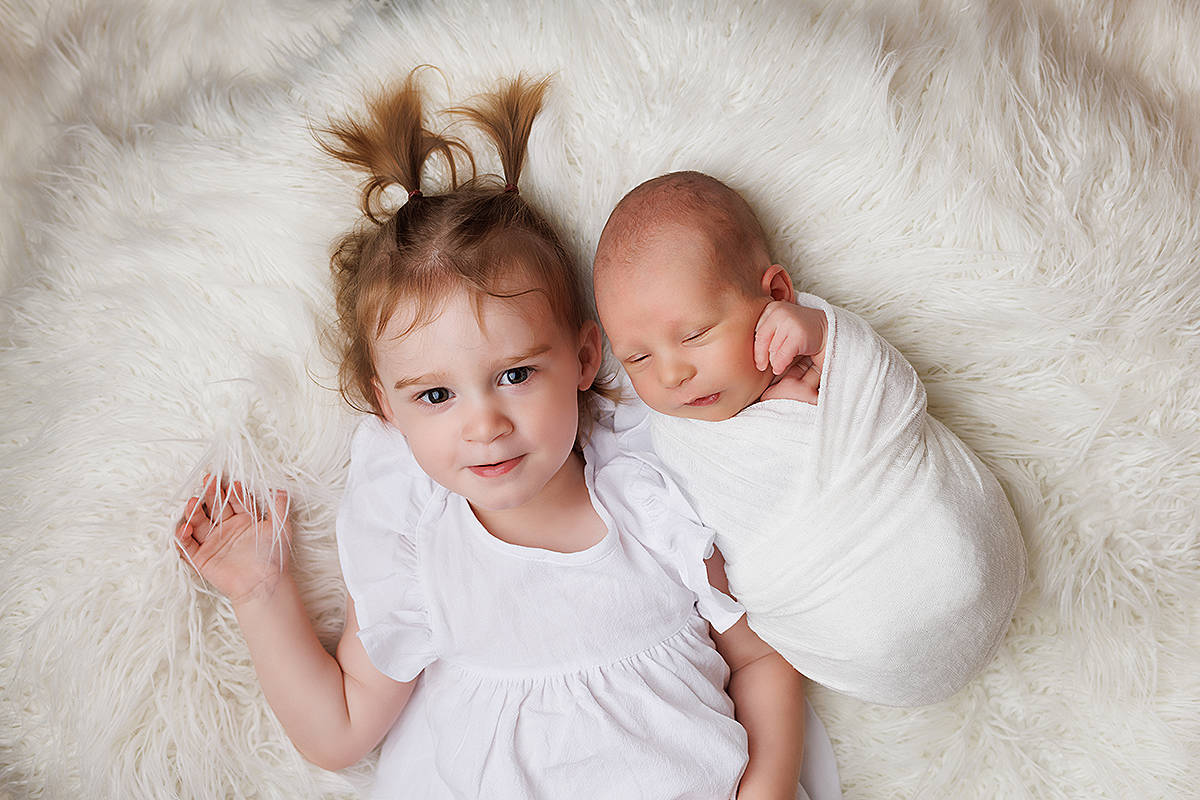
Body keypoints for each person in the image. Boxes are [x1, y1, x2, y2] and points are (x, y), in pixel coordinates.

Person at [175, 75, 842, 799]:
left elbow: (761, 659)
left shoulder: (653, 500)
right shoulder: (416, 554)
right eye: (436, 395)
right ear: (389, 411)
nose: (485, 424)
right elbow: (337, 730)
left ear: (585, 359)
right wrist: (259, 591)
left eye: (516, 375)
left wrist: (768, 787)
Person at [592, 171, 1027, 707]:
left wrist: (826, 334)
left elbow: (891, 397)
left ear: (774, 295)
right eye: (638, 357)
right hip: (842, 636)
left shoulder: (819, 355)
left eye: (695, 334)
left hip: (947, 549)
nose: (672, 373)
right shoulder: (672, 434)